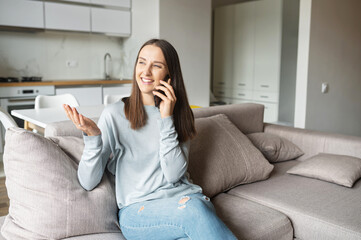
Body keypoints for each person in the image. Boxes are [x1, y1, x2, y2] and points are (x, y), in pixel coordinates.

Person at [63, 39, 237, 240]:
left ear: (170, 74)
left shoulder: (180, 114)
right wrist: (93, 139)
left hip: (186, 202)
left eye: (156, 65)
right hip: (139, 212)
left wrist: (166, 119)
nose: (145, 72)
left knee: (195, 217)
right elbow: (87, 182)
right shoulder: (114, 115)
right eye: (141, 62)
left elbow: (173, 175)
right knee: (195, 212)